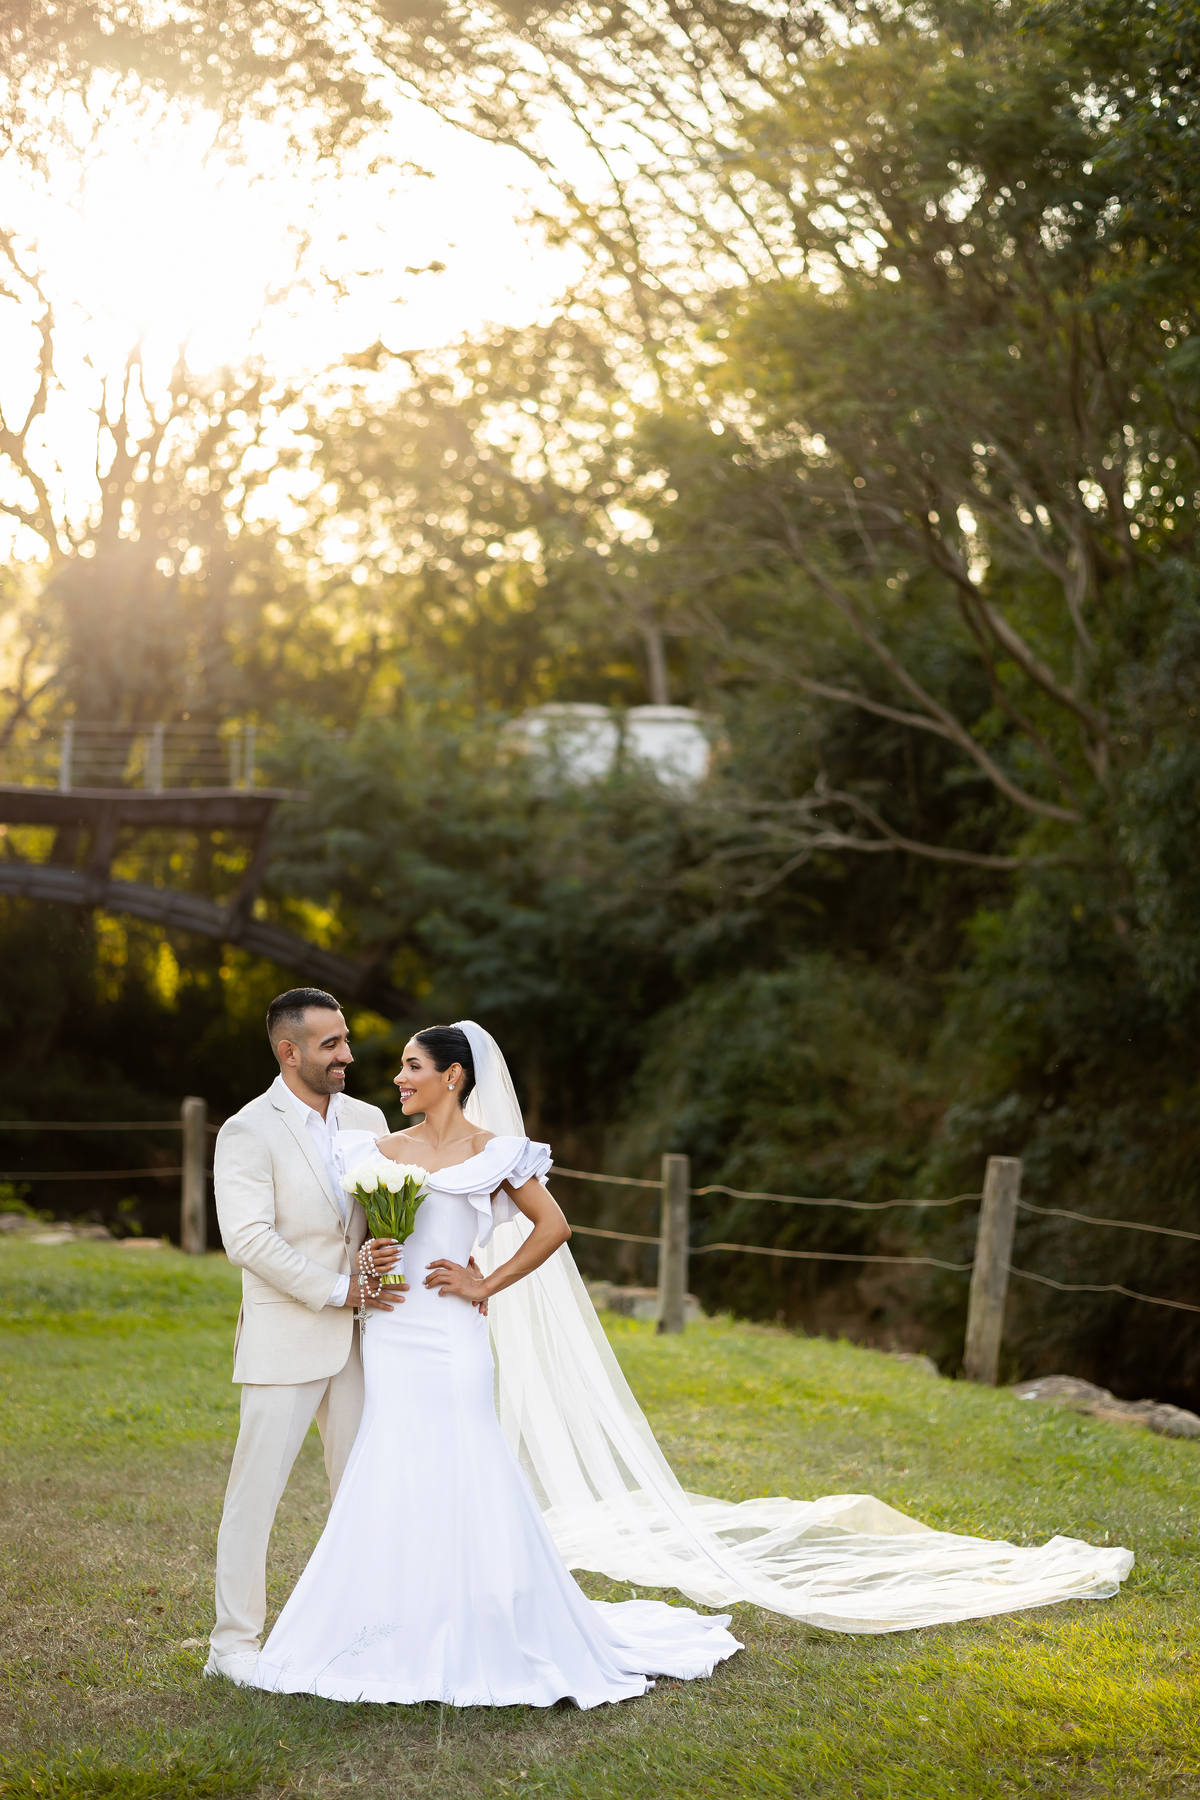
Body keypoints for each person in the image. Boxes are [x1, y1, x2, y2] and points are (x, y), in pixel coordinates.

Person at [248, 1021, 1133, 1711]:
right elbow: (366, 1238)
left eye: (410, 1066)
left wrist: (486, 1280)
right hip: (396, 1338)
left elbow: (554, 1229)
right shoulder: (380, 1153)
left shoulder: (495, 1153)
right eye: (395, 1065)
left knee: (466, 1462)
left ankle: (488, 1622)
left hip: (453, 1339)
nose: (396, 1078)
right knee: (389, 1465)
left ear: (454, 1076)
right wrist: (367, 1269)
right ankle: (380, 1619)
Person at [205, 987, 402, 1686]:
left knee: (360, 1492)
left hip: (363, 1341)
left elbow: (381, 1216)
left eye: (346, 1039)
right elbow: (248, 1239)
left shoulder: (369, 1117)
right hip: (287, 1336)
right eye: (331, 1045)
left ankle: (360, 1626)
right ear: (289, 1053)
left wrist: (384, 1255)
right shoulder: (247, 1130)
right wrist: (337, 1288)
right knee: (254, 1497)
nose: (347, 1054)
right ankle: (232, 1643)